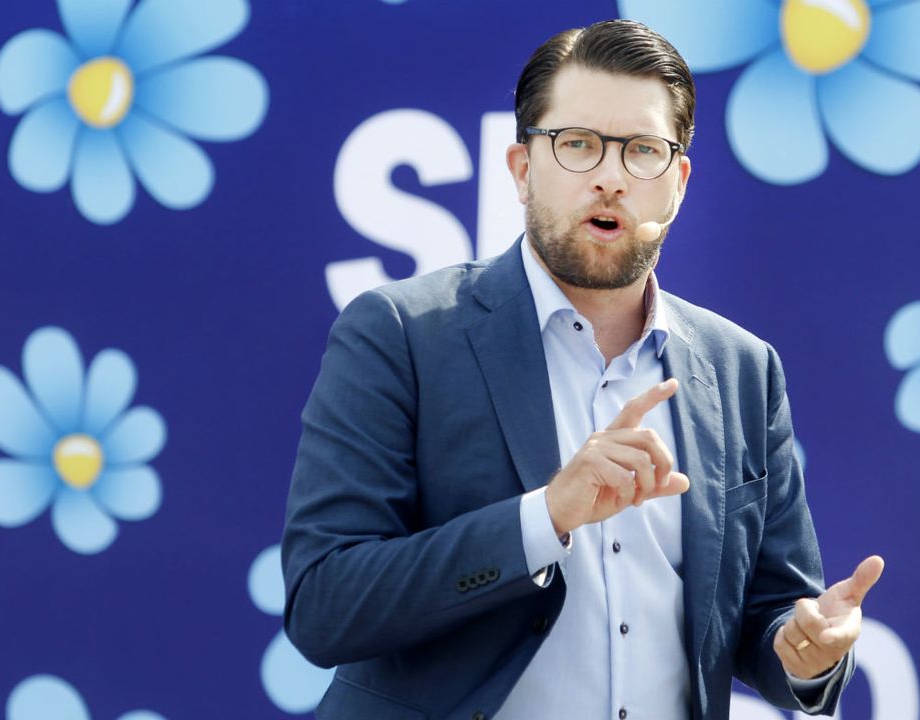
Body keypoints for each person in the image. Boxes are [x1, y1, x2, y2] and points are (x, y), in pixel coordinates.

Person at [281, 18, 883, 720]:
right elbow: (326, 603)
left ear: (678, 182)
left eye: (642, 152)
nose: (610, 177)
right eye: (578, 145)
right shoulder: (401, 333)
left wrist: (802, 651)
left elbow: (770, 608)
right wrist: (546, 517)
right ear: (522, 168)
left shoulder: (742, 368)